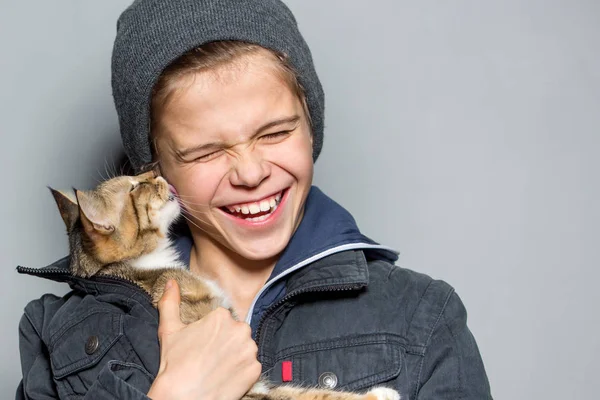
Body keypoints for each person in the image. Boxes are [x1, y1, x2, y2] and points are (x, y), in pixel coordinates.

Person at [16, 0, 492, 399]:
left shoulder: (420, 318)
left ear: (310, 125)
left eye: (277, 132)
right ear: (154, 169)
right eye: (206, 151)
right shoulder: (60, 333)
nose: (251, 173)